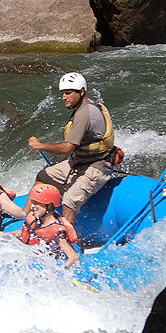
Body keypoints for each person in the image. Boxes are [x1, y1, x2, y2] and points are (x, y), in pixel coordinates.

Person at [26, 72, 122, 226]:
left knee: (69, 201)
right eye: (63, 93)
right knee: (43, 176)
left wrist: (40, 145)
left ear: (81, 92)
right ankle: (26, 219)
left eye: (68, 93)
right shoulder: (81, 109)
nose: (64, 97)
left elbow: (67, 147)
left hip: (97, 166)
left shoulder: (85, 113)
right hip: (80, 162)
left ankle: (66, 244)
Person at [12, 184, 79, 267]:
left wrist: (62, 269)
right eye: (32, 203)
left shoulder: (56, 232)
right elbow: (24, 233)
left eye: (36, 203)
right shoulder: (37, 218)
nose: (32, 207)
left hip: (42, 259)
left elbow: (73, 256)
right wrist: (1, 235)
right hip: (29, 250)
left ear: (49, 205)